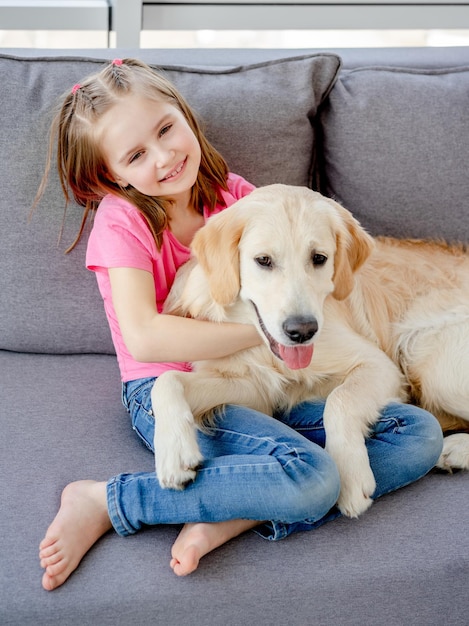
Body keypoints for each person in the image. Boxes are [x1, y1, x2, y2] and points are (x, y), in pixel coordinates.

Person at [36, 58, 443, 591]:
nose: (164, 156)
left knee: (420, 433)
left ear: (185, 116)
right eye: (136, 154)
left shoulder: (235, 196)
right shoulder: (123, 223)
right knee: (315, 475)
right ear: (112, 175)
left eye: (166, 129)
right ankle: (108, 500)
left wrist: (290, 336)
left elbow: (296, 264)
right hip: (177, 390)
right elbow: (146, 336)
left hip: (262, 380)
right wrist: (267, 332)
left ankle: (245, 508)